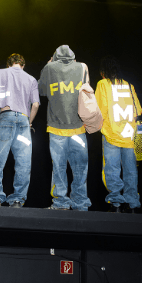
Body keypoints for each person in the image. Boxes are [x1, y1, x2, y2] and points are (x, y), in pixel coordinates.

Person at [38, 45, 91, 211]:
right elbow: (88, 90)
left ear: (55, 57)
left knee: (58, 168)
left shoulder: (49, 68)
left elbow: (41, 90)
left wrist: (48, 64)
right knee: (80, 168)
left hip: (56, 129)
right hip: (78, 128)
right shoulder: (82, 67)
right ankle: (80, 203)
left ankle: (61, 203)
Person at [0, 53, 40, 207]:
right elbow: (35, 104)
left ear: (8, 64)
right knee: (23, 163)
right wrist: (28, 122)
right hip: (23, 121)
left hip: (5, 117)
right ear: (23, 65)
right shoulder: (31, 79)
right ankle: (17, 199)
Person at [96, 55, 142, 213]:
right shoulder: (129, 85)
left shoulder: (103, 84)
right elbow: (138, 111)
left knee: (112, 170)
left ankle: (116, 203)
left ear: (103, 72)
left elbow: (100, 110)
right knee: (131, 171)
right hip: (129, 136)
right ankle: (132, 204)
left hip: (111, 134)